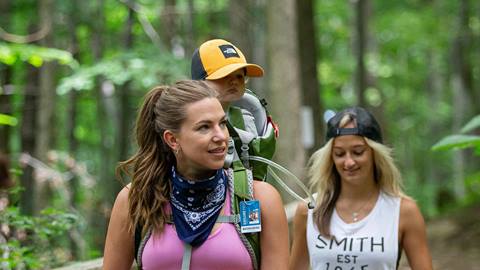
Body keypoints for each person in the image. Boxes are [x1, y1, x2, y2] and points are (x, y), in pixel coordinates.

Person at [103, 80, 289, 270]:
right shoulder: (135, 199)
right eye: (204, 127)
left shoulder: (261, 198)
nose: (221, 136)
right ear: (172, 139)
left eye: (222, 123)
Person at [289, 107, 433, 270]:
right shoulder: (309, 211)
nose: (349, 162)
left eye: (358, 152)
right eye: (339, 154)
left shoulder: (404, 211)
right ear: (330, 158)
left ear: (375, 153)